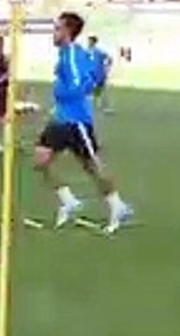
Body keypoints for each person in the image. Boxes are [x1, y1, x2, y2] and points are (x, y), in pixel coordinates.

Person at [34, 12, 132, 233]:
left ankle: (118, 206)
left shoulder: (71, 56)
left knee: (92, 167)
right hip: (61, 120)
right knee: (41, 159)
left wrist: (62, 94)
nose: (54, 33)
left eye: (58, 28)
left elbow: (82, 85)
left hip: (76, 121)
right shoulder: (66, 55)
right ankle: (69, 201)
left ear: (68, 32)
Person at [86, 36, 114, 114]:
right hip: (91, 74)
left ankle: (105, 107)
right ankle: (100, 106)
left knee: (99, 90)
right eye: (88, 41)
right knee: (95, 91)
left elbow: (109, 58)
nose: (88, 43)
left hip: (99, 74)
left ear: (94, 42)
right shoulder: (87, 51)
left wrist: (107, 67)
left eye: (90, 41)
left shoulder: (97, 51)